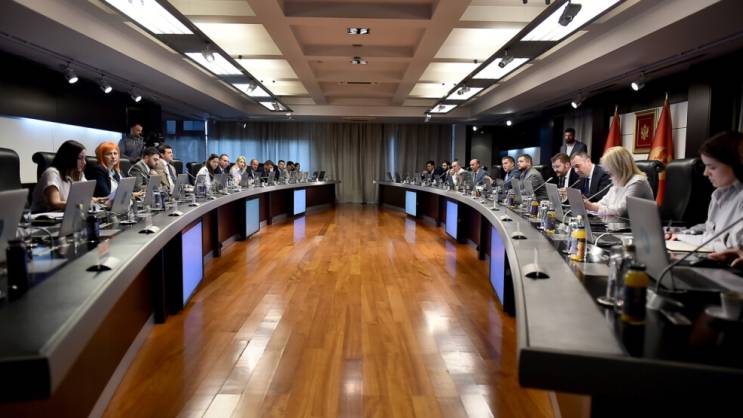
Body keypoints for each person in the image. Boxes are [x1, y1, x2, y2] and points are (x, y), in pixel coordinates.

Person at [667, 131, 743, 251]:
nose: (705, 173)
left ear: (737, 165)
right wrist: (681, 233)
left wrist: (682, 237)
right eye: (705, 166)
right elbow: (710, 229)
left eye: (712, 167)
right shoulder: (718, 194)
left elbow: (730, 245)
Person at [583, 147, 654, 217]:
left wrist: (592, 207)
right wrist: (587, 205)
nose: (607, 171)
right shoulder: (618, 180)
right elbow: (603, 202)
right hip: (618, 222)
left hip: (636, 223)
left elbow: (621, 211)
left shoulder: (638, 182)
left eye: (609, 167)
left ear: (619, 166)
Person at [31, 140, 90, 212]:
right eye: (80, 158)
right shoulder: (51, 173)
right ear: (69, 158)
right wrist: (80, 204)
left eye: (84, 158)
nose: (84, 162)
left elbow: (83, 197)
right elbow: (55, 203)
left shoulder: (78, 174)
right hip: (43, 216)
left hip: (64, 214)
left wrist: (96, 200)